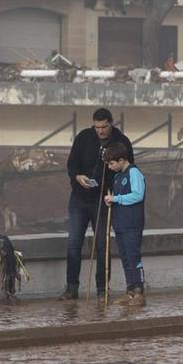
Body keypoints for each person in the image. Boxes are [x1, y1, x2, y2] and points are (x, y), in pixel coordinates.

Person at [61, 108, 133, 299]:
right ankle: (71, 287)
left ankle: (102, 289)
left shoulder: (121, 141)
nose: (100, 131)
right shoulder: (83, 137)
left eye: (104, 127)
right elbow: (71, 164)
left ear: (111, 123)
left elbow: (128, 169)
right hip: (79, 198)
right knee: (73, 243)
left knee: (102, 244)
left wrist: (114, 191)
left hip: (104, 200)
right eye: (97, 127)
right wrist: (78, 177)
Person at [102, 145, 148, 304]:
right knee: (125, 257)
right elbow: (117, 198)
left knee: (133, 256)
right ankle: (130, 290)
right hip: (120, 223)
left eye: (111, 164)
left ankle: (139, 291)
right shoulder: (117, 177)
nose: (110, 167)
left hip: (132, 223)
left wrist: (116, 199)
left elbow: (137, 195)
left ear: (121, 160)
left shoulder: (134, 173)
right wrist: (111, 202)